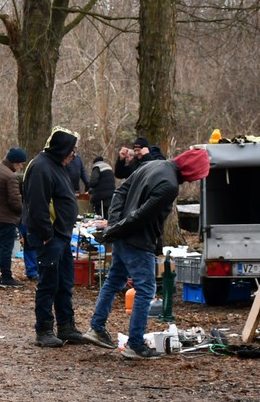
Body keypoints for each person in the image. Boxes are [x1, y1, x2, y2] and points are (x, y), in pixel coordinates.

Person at [83, 147, 211, 359]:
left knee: (114, 281)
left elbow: (120, 192)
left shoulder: (152, 164)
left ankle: (96, 327)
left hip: (124, 236)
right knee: (145, 289)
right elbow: (142, 215)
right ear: (192, 171)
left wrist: (114, 226)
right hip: (138, 240)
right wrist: (115, 228)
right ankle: (135, 344)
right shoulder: (169, 185)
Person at [22, 127, 85, 348]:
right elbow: (37, 204)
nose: (74, 154)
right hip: (51, 237)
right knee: (48, 283)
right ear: (62, 148)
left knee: (65, 282)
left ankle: (66, 326)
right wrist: (46, 234)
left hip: (62, 236)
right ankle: (44, 329)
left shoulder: (57, 165)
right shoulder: (41, 167)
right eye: (72, 150)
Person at [0, 147, 27, 287]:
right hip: (7, 219)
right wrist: (23, 211)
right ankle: (7, 277)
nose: (21, 167)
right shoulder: (10, 176)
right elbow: (15, 201)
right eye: (21, 164)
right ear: (15, 162)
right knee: (6, 248)